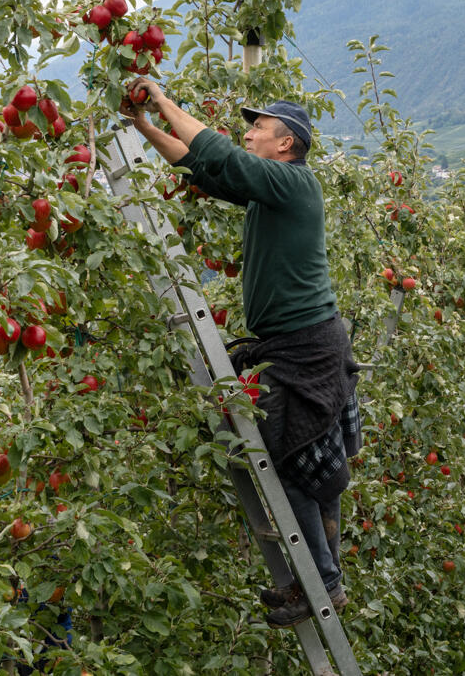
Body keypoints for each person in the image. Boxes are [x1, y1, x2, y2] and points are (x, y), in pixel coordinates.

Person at [120, 78, 361, 629]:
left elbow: (220, 152)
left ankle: (320, 582)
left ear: (285, 145)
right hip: (296, 342)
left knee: (293, 457)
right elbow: (203, 167)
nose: (248, 133)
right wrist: (146, 129)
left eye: (259, 127)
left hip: (306, 346)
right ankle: (328, 579)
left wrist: (160, 97)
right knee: (311, 458)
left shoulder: (295, 184)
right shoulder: (270, 189)